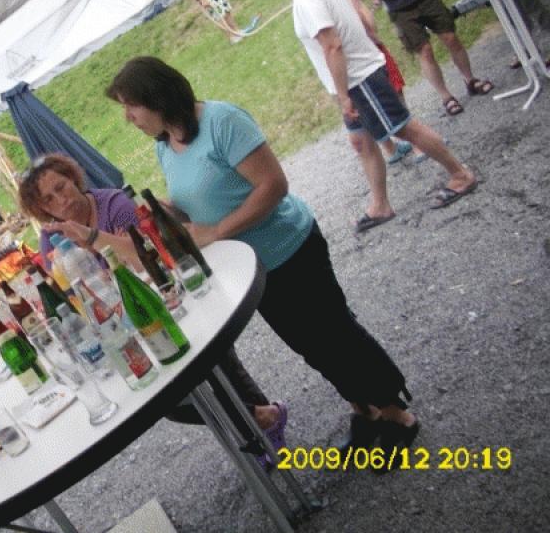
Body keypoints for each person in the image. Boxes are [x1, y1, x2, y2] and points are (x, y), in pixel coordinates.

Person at [107, 56, 422, 467]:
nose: (128, 118)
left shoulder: (222, 121)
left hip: (288, 248)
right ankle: (366, 410)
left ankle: (398, 415)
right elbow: (199, 202)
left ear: (157, 97)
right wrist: (166, 211)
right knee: (309, 345)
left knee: (336, 334)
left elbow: (273, 185)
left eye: (131, 106)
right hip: (250, 268)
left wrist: (218, 231)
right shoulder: (166, 144)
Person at [16, 153, 287, 465]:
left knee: (219, 364)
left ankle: (261, 432)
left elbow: (146, 256)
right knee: (172, 403)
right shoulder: (52, 239)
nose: (61, 200)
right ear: (43, 211)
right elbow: (69, 296)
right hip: (124, 323)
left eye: (61, 187)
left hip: (170, 296)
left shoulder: (113, 205)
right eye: (49, 200)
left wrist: (92, 239)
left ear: (74, 179)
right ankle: (262, 418)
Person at [257, 0, 477, 232]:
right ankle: (380, 205)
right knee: (361, 142)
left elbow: (332, 45)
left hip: (358, 79)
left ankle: (460, 174)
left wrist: (344, 95)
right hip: (358, 75)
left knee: (404, 128)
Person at [300, 0, 426, 166]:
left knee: (363, 115)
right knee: (395, 98)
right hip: (365, 59)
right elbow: (367, 24)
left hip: (341, 72)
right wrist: (364, 15)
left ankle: (390, 148)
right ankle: (419, 146)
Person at [352, 0, 494, 116]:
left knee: (450, 37)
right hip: (399, 7)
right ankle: (446, 97)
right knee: (424, 50)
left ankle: (471, 80)